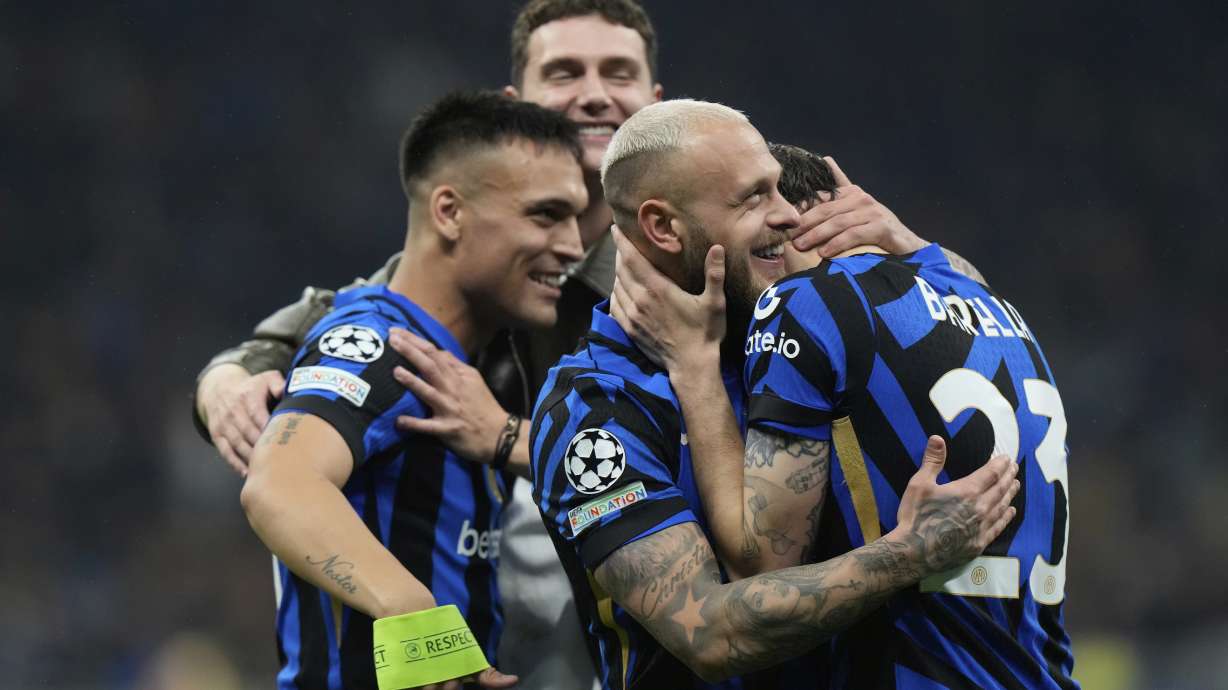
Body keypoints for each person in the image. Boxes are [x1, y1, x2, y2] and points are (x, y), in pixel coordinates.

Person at [192, 2, 922, 686]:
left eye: (619, 74)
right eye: (566, 73)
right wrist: (231, 374)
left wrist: (917, 256)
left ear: (656, 106)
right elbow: (314, 405)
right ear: (516, 106)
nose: (569, 247)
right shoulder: (413, 326)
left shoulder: (727, 268)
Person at [527, 98, 1020, 689]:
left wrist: (911, 250)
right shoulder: (595, 406)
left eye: (779, 190)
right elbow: (710, 633)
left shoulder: (805, 344)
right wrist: (910, 554)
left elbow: (981, 338)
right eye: (754, 198)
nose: (788, 215)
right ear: (662, 227)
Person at [239, 91, 587, 689]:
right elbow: (279, 483)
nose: (574, 246)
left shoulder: (469, 370)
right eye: (545, 215)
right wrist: (412, 613)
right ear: (449, 212)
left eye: (577, 217)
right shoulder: (380, 342)